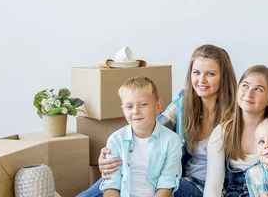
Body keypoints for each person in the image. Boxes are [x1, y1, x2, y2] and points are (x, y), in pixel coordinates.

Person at [78, 44, 238, 197]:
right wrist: (111, 156)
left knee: (141, 177)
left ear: (223, 77)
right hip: (181, 179)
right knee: (123, 174)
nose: (201, 80)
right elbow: (147, 128)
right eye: (196, 72)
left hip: (205, 190)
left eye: (210, 74)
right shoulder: (183, 105)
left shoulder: (235, 116)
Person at [205, 65, 268, 197]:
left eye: (258, 89)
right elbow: (213, 186)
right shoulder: (222, 132)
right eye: (245, 86)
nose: (249, 93)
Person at [100, 76, 182, 197]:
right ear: (123, 110)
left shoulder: (171, 140)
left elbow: (166, 184)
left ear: (158, 106)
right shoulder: (116, 139)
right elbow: (111, 184)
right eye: (129, 106)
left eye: (143, 104)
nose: (135, 111)